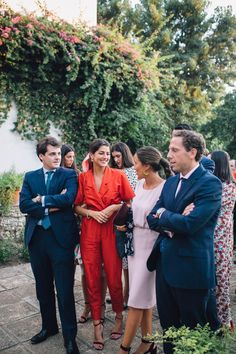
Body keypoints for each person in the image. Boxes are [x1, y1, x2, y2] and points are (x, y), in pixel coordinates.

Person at [147, 130, 222, 354]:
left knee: (194, 333)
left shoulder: (210, 184)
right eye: (169, 149)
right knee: (169, 331)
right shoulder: (170, 183)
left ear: (192, 152)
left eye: (174, 150)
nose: (168, 155)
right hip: (165, 266)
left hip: (191, 271)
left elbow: (192, 225)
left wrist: (165, 215)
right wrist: (171, 217)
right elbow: (151, 217)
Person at [19, 136, 79, 354]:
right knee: (42, 288)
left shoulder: (69, 175)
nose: (57, 157)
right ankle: (49, 327)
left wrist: (40, 200)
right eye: (52, 153)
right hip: (37, 240)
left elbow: (69, 199)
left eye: (59, 153)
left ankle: (70, 337)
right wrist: (51, 204)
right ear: (41, 156)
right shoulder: (30, 177)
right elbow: (23, 205)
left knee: (64, 291)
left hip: (61, 240)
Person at [74, 138, 135, 351]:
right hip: (90, 230)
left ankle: (118, 316)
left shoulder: (118, 175)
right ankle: (97, 324)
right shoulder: (83, 178)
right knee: (91, 276)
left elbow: (129, 201)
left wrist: (110, 210)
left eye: (108, 153)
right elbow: (77, 206)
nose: (106, 156)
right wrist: (92, 212)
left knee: (113, 275)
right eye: (101, 153)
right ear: (91, 155)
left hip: (111, 230)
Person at [119, 147, 171, 354]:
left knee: (135, 302)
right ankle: (149, 343)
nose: (134, 167)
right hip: (135, 246)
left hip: (151, 247)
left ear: (147, 166)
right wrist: (127, 222)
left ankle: (124, 349)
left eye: (136, 163)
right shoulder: (139, 185)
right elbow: (134, 209)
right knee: (143, 298)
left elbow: (162, 220)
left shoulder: (165, 188)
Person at [210, 151, 236, 329]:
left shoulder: (227, 187)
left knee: (221, 282)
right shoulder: (219, 185)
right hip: (216, 238)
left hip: (220, 241)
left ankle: (225, 322)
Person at [111, 142, 138, 307]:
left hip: (127, 219)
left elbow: (131, 198)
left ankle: (128, 297)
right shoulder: (114, 171)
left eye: (118, 156)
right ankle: (121, 295)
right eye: (113, 157)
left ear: (125, 155)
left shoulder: (131, 172)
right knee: (120, 261)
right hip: (114, 219)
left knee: (127, 262)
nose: (115, 159)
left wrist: (127, 223)